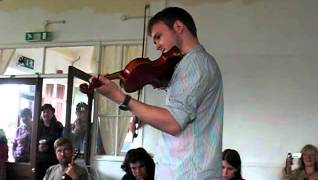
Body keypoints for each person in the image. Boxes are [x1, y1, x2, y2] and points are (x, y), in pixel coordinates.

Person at [93, 6, 223, 179]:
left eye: (158, 37)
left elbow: (173, 122)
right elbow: (179, 117)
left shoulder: (195, 64)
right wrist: (145, 117)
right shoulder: (187, 64)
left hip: (187, 173)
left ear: (178, 27)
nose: (157, 46)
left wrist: (119, 97)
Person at [37, 104, 64, 180]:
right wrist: (38, 148)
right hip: (40, 161)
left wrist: (50, 147)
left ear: (52, 114)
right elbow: (33, 142)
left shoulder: (58, 126)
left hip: (53, 160)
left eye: (48, 112)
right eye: (44, 112)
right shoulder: (38, 126)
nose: (46, 114)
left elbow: (62, 142)